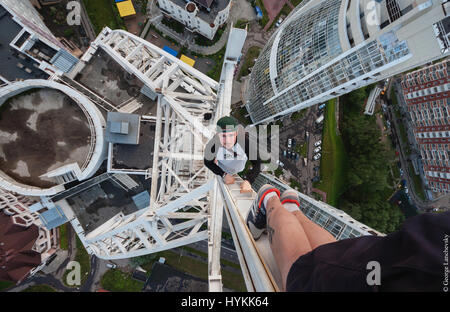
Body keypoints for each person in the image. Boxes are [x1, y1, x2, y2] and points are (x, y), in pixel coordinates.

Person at [247, 184, 449, 292]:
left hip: (434, 250)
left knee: (342, 261)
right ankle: (269, 200)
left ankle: (291, 208)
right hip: (430, 269)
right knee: (301, 276)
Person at [204, 116, 261, 192]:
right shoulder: (213, 145)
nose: (227, 141)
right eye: (223, 136)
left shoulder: (244, 142)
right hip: (224, 169)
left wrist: (249, 180)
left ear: (236, 133)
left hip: (240, 168)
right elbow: (207, 162)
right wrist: (223, 174)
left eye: (231, 135)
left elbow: (257, 163)